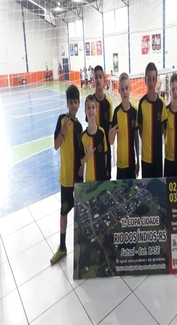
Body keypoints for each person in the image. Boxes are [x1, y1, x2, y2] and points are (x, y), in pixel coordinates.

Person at [50, 85, 83, 265]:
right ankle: (62, 246)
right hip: (65, 178)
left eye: (75, 102)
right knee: (64, 212)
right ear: (67, 103)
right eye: (70, 102)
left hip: (77, 178)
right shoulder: (61, 120)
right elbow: (56, 146)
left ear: (79, 103)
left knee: (79, 213)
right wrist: (62, 132)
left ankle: (80, 245)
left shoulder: (79, 126)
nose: (73, 105)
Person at [138, 62, 167, 178]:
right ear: (145, 80)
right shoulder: (141, 103)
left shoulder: (161, 103)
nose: (151, 82)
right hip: (145, 156)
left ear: (156, 81)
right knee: (146, 191)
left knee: (158, 189)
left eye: (153, 79)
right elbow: (140, 130)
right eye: (148, 79)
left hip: (158, 156)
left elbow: (162, 129)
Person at [109, 72, 139, 179]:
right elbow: (111, 141)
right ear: (119, 91)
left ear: (130, 89)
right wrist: (111, 135)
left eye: (127, 88)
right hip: (121, 163)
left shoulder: (135, 111)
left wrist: (138, 161)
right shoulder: (116, 112)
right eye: (122, 89)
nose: (125, 91)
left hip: (132, 161)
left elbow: (136, 137)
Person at [80, 95, 107, 181]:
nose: (91, 110)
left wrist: (106, 174)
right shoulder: (83, 137)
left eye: (93, 107)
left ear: (96, 111)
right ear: (85, 111)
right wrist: (88, 154)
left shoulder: (102, 133)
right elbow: (81, 161)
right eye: (88, 107)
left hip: (101, 179)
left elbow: (105, 155)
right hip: (89, 180)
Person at [93, 65, 113, 179]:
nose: (98, 79)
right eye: (96, 77)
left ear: (104, 80)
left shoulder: (108, 103)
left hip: (106, 149)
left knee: (106, 179)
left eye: (100, 77)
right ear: (93, 80)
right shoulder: (90, 102)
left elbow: (110, 128)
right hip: (94, 148)